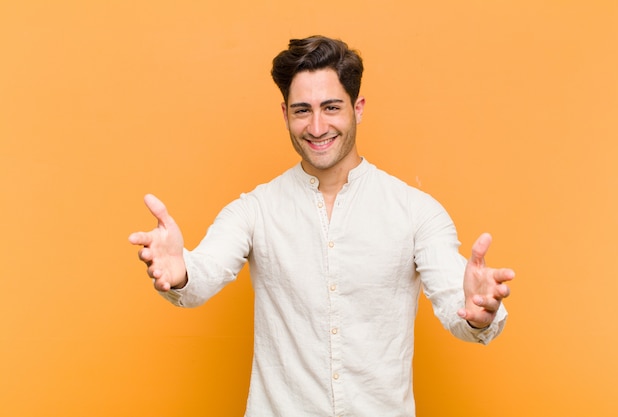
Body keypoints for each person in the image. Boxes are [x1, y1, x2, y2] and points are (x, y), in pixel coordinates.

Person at [129, 35, 514, 417]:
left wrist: (480, 313)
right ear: (285, 114)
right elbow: (202, 275)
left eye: (331, 107)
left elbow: (457, 309)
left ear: (357, 108)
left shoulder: (416, 212)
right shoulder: (255, 210)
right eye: (302, 111)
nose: (316, 127)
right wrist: (180, 273)